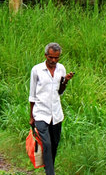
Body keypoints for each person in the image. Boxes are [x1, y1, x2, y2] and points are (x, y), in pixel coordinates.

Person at [29, 42, 74, 175]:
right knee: (47, 144)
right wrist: (31, 116)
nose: (53, 60)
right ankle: (50, 173)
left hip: (56, 114)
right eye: (51, 57)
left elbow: (60, 92)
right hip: (41, 113)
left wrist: (65, 81)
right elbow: (32, 95)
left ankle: (49, 168)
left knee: (54, 144)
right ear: (46, 55)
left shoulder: (61, 69)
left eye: (56, 58)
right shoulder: (36, 70)